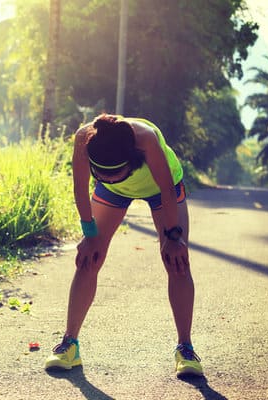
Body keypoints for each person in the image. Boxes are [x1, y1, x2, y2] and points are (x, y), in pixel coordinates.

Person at [44, 113, 203, 377]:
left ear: (132, 159)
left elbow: (166, 190)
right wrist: (89, 233)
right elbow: (80, 189)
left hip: (162, 187)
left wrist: (173, 238)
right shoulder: (85, 138)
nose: (111, 178)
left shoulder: (146, 139)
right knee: (89, 258)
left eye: (116, 175)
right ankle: (69, 345)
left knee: (177, 262)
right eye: (104, 175)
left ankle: (185, 348)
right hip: (114, 197)